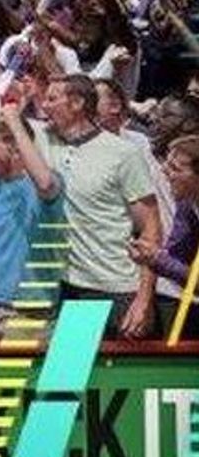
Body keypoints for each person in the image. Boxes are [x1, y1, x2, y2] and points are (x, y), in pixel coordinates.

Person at [36, 73, 162, 339]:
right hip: (72, 289)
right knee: (68, 366)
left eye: (52, 99)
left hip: (120, 290)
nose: (44, 106)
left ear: (77, 103)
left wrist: (144, 299)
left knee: (122, 369)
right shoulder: (44, 138)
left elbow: (151, 229)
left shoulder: (123, 154)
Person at [0, 97, 63, 342]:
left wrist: (14, 121)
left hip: (26, 310)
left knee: (26, 372)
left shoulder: (45, 184)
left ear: (15, 148)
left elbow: (45, 183)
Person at [130, 135, 199, 339]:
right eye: (167, 164)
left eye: (175, 168)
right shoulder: (187, 205)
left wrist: (158, 259)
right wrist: (152, 258)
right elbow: (174, 256)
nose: (164, 171)